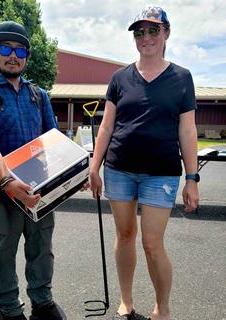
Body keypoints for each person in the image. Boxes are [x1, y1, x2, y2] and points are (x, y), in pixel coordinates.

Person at [89, 6, 199, 320]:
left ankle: (162, 309)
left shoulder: (182, 77)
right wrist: (94, 168)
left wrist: (192, 178)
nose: (146, 37)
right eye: (140, 32)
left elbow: (187, 129)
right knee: (125, 236)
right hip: (119, 169)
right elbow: (107, 127)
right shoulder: (119, 78)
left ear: (166, 33)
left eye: (153, 30)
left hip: (160, 173)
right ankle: (126, 301)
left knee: (152, 243)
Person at [0, 21, 67, 320]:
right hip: (4, 193)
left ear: (26, 55)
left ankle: (42, 301)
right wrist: (7, 181)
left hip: (41, 191)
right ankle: (9, 310)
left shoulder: (38, 95)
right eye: (6, 48)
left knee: (42, 250)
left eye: (20, 49)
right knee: (3, 256)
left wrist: (76, 173)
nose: (13, 55)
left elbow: (54, 140)